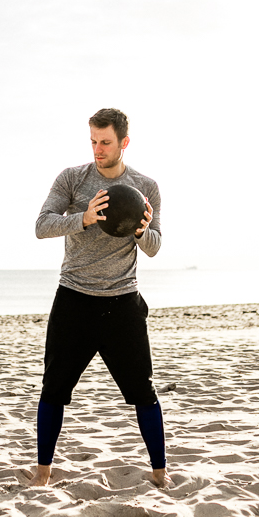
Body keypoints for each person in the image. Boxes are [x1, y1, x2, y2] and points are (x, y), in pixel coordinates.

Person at [29, 107, 169, 488]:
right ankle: (42, 474)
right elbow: (42, 226)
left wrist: (140, 230)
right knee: (54, 389)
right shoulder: (73, 179)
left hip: (122, 303)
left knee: (143, 391)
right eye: (93, 141)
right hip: (73, 299)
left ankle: (160, 474)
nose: (98, 149)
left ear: (124, 142)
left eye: (105, 142)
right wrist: (84, 218)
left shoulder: (146, 186)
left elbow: (155, 246)